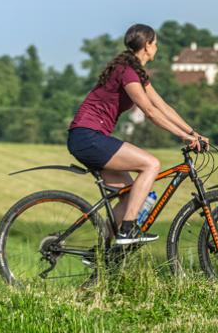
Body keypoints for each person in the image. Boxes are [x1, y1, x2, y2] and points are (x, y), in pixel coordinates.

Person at [67, 23, 206, 244]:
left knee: (131, 196)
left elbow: (162, 106)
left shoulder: (134, 72)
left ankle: (101, 253)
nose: (157, 48)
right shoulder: (126, 72)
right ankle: (127, 230)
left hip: (87, 137)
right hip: (88, 136)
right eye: (156, 43)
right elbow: (150, 112)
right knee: (151, 164)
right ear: (147, 46)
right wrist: (183, 137)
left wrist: (192, 132)